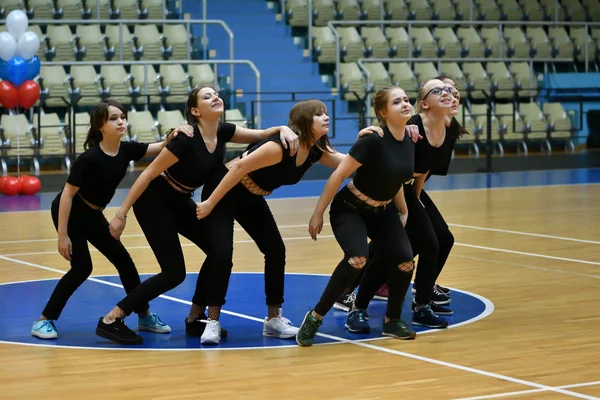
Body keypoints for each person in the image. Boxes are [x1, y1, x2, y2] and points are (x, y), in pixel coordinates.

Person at [96, 86, 299, 345]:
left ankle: (195, 318)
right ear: (195, 111)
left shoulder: (223, 131)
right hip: (154, 202)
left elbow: (260, 134)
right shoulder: (185, 139)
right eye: (207, 97)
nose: (215, 97)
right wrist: (121, 215)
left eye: (216, 94)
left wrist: (284, 128)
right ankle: (112, 319)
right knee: (174, 273)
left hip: (181, 200)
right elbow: (146, 175)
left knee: (218, 253)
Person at [193, 99, 401, 344]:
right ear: (305, 120)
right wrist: (208, 203)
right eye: (319, 114)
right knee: (223, 254)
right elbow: (237, 168)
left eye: (326, 113)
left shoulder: (314, 150)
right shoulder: (280, 147)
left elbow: (353, 163)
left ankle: (273, 320)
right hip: (224, 191)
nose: (326, 117)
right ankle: (213, 321)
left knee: (275, 250)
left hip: (253, 196)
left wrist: (368, 139)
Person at [31, 99, 190, 340]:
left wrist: (174, 133)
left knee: (124, 262)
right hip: (72, 213)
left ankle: (144, 315)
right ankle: (44, 320)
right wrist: (62, 235)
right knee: (82, 268)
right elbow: (67, 195)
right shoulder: (88, 159)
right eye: (113, 118)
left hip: (94, 215)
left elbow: (158, 147)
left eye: (123, 117)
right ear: (100, 126)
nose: (121, 122)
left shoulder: (126, 150)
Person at [296, 86, 417, 346]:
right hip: (350, 208)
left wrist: (404, 209)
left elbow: (396, 180)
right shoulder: (372, 140)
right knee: (357, 259)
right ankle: (315, 317)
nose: (406, 104)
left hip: (382, 210)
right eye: (397, 102)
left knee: (406, 261)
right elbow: (338, 175)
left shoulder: (408, 140)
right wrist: (317, 214)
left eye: (407, 99)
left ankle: (392, 320)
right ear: (383, 112)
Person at [408, 75, 467, 313]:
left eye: (453, 92)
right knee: (421, 242)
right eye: (442, 90)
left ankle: (423, 289)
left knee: (441, 239)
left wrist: (417, 198)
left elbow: (426, 169)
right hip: (392, 188)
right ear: (424, 102)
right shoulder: (412, 125)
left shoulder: (449, 130)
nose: (450, 94)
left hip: (412, 188)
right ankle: (348, 290)